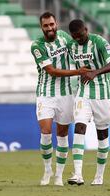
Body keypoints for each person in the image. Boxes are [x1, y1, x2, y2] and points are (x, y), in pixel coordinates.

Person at [30, 12, 90, 186]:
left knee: (62, 134)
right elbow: (52, 71)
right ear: (41, 27)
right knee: (46, 131)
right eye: (46, 26)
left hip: (66, 94)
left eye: (51, 24)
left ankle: (59, 175)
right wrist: (78, 72)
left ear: (56, 23)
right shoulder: (37, 46)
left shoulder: (64, 37)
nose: (49, 28)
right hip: (45, 94)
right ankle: (47, 169)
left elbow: (77, 51)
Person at [66, 19, 110, 186]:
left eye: (81, 36)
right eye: (75, 37)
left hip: (103, 94)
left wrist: (95, 72)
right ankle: (78, 174)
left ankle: (99, 176)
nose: (79, 40)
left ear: (86, 30)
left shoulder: (99, 42)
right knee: (79, 126)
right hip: (83, 92)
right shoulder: (71, 46)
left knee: (102, 134)